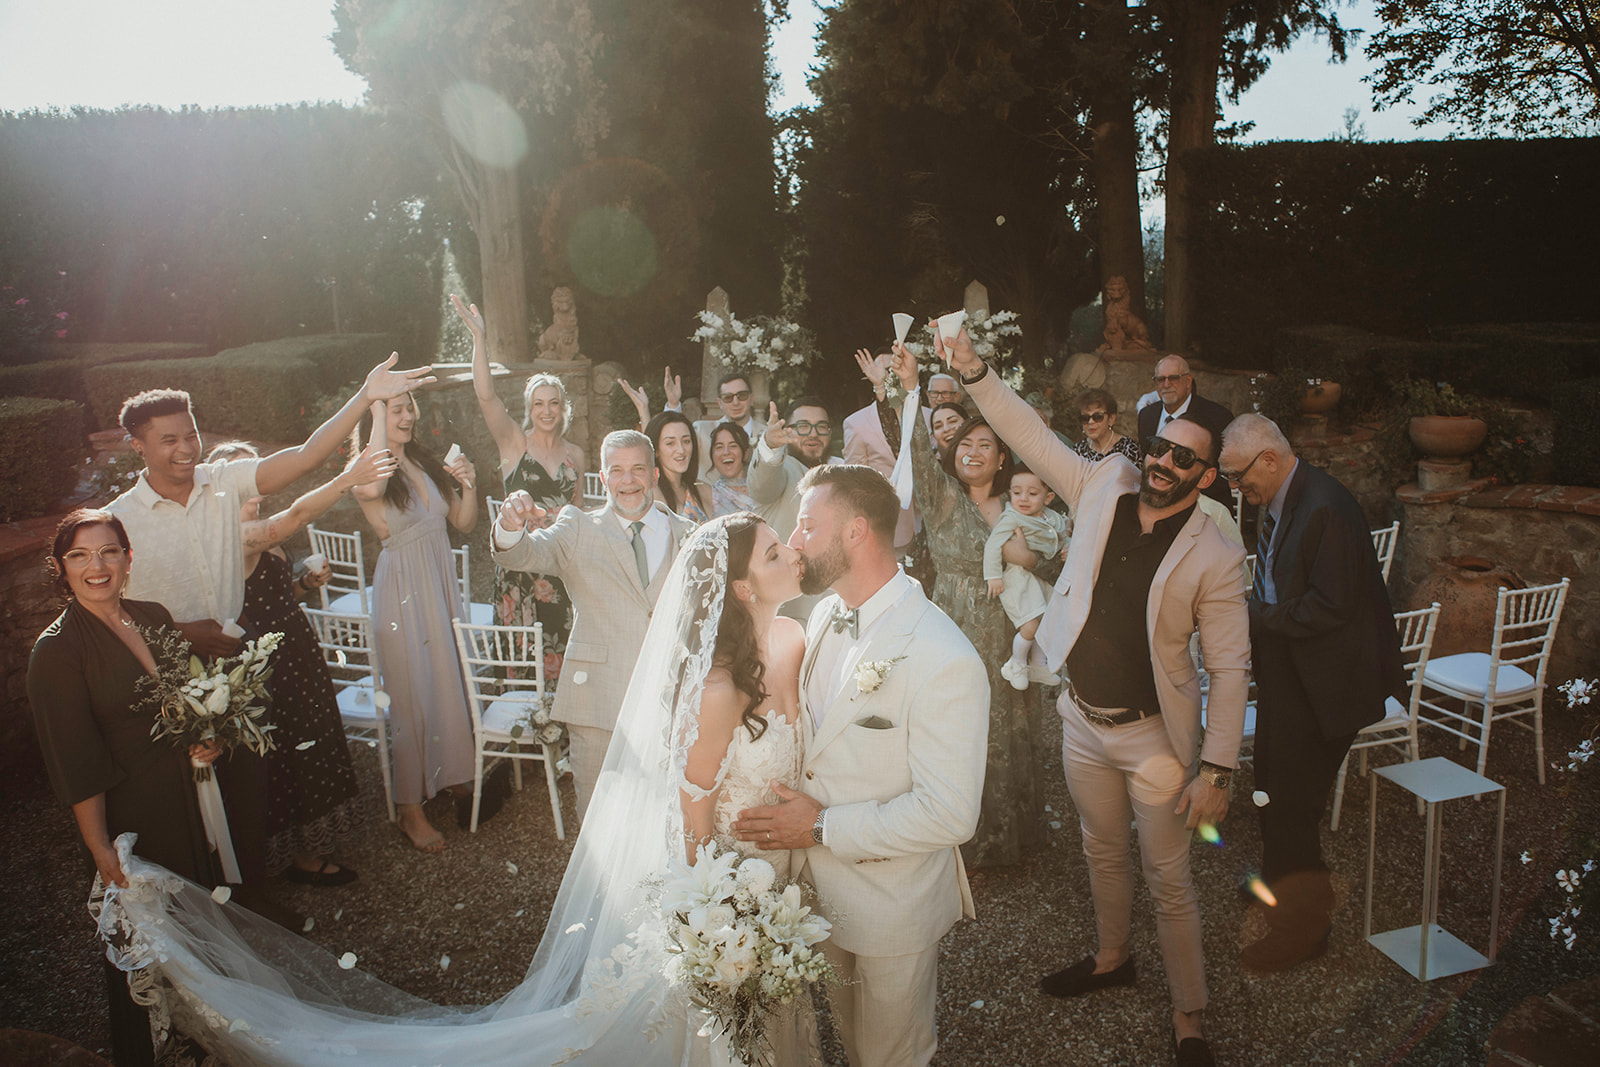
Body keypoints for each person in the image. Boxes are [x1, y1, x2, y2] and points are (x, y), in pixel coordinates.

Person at [65, 514, 831, 1065]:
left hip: (778, 869)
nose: (792, 549)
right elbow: (693, 818)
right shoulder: (718, 689)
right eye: (775, 549)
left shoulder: (795, 637)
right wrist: (711, 916)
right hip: (727, 887)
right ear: (739, 584)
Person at [945, 328, 1249, 1067]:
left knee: (1169, 878)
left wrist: (1218, 769)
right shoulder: (1104, 481)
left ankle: (1188, 1015)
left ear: (1206, 477)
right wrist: (977, 371)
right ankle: (1114, 957)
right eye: (1160, 448)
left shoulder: (1215, 553)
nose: (1164, 462)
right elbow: (1028, 431)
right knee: (1101, 849)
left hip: (1153, 738)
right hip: (1081, 719)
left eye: (1183, 457)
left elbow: (1230, 666)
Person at [105, 355, 432, 908]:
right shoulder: (119, 519)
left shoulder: (221, 483)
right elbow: (110, 610)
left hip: (237, 674)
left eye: (192, 435)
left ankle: (251, 905)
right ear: (137, 445)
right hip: (167, 679)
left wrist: (364, 396)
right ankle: (198, 917)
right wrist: (181, 633)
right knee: (190, 806)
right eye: (169, 440)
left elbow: (304, 457)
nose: (186, 449)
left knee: (251, 794)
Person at [731, 464, 989, 1067]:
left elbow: (950, 813)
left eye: (806, 526)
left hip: (891, 904)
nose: (794, 542)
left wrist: (820, 826)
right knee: (851, 1043)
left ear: (855, 532)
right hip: (818, 896)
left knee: (892, 1057)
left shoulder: (943, 657)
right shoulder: (824, 615)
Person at [28, 509, 222, 1067]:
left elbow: (187, 699)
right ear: (61, 567)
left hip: (183, 797)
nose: (97, 565)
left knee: (194, 923)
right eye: (79, 555)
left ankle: (210, 1038)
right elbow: (75, 761)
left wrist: (208, 738)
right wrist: (99, 847)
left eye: (108, 551)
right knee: (147, 944)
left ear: (128, 558)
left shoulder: (152, 616)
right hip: (129, 817)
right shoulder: (57, 651)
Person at [1219, 413, 1404, 974]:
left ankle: (1304, 930)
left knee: (1293, 806)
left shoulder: (1326, 506)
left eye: (1239, 476)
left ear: (1269, 459)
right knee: (1271, 789)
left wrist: (1255, 616)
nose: (1236, 489)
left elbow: (1330, 606)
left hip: (1327, 687)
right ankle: (1281, 880)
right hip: (1292, 677)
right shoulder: (1279, 497)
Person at [205, 441, 396, 885]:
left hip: (296, 648)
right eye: (239, 473)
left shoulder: (254, 527)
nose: (252, 480)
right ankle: (301, 857)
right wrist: (347, 478)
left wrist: (307, 583)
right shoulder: (230, 536)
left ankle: (310, 842)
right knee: (291, 748)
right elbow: (294, 517)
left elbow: (275, 596)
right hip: (268, 662)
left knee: (311, 737)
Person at [492, 430, 698, 819]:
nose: (628, 480)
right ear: (602, 478)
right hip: (598, 703)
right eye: (616, 470)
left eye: (638, 469)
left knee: (665, 817)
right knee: (598, 818)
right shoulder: (577, 528)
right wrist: (509, 526)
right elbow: (523, 554)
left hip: (670, 703)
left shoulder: (687, 535)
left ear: (655, 473)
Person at [352, 391, 484, 853]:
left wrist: (469, 484)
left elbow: (463, 523)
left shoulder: (424, 462)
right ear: (377, 416)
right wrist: (374, 408)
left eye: (410, 407)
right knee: (410, 692)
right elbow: (371, 491)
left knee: (447, 680)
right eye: (396, 409)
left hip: (439, 582)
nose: (407, 416)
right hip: (403, 587)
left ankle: (451, 772)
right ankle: (409, 806)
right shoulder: (368, 470)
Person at [453, 295, 584, 686]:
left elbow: (577, 515)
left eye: (554, 403)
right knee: (521, 666)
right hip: (520, 571)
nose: (547, 411)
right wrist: (480, 339)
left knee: (561, 657)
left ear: (563, 408)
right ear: (530, 408)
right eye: (539, 404)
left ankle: (555, 723)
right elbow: (486, 396)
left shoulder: (576, 454)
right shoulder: (514, 443)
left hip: (559, 570)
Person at [984, 466, 1070, 692]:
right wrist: (993, 576)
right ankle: (1017, 664)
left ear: (1048, 498)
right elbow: (993, 545)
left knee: (1046, 623)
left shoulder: (1052, 517)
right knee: (1030, 625)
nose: (1023, 498)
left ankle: (1039, 665)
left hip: (1040, 579)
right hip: (1019, 578)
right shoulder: (1011, 517)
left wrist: (1068, 548)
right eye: (1016, 492)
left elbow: (1064, 536)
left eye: (1032, 494)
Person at [1137, 355, 1234, 507]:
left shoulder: (1218, 417)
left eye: (1173, 378)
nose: (1166, 384)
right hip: (1155, 502)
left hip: (1202, 504)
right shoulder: (1147, 416)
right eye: (1160, 379)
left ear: (1188, 381)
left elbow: (1223, 472)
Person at [748, 396, 838, 543]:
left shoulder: (841, 469)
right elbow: (762, 487)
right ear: (787, 431)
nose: (813, 434)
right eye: (803, 426)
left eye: (821, 426)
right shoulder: (780, 468)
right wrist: (771, 445)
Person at [669, 371, 768, 479]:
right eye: (728, 397)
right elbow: (674, 444)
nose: (736, 402)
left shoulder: (767, 435)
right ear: (720, 403)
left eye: (742, 395)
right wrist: (673, 405)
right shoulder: (701, 431)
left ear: (751, 399)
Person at [646, 410, 713, 523]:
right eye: (670, 443)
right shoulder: (649, 493)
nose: (681, 450)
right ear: (655, 450)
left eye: (686, 441)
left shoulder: (702, 490)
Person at [1073, 387, 1143, 466]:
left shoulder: (1129, 448)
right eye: (1085, 418)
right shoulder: (1078, 451)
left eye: (1098, 416)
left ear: (1111, 419)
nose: (1090, 422)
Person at [706, 421, 757, 517]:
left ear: (745, 453)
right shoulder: (706, 495)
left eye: (733, 446)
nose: (726, 452)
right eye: (719, 447)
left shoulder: (760, 490)